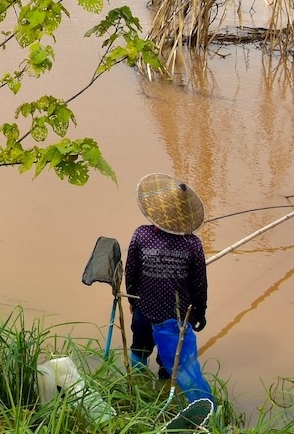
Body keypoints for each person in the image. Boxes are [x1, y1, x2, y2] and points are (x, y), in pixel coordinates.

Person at [125, 173, 215, 409]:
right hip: (175, 316)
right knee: (171, 359)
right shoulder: (192, 243)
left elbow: (130, 271)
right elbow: (199, 285)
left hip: (144, 308)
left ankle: (139, 392)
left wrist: (132, 297)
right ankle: (168, 394)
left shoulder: (141, 234)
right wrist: (200, 311)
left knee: (139, 348)